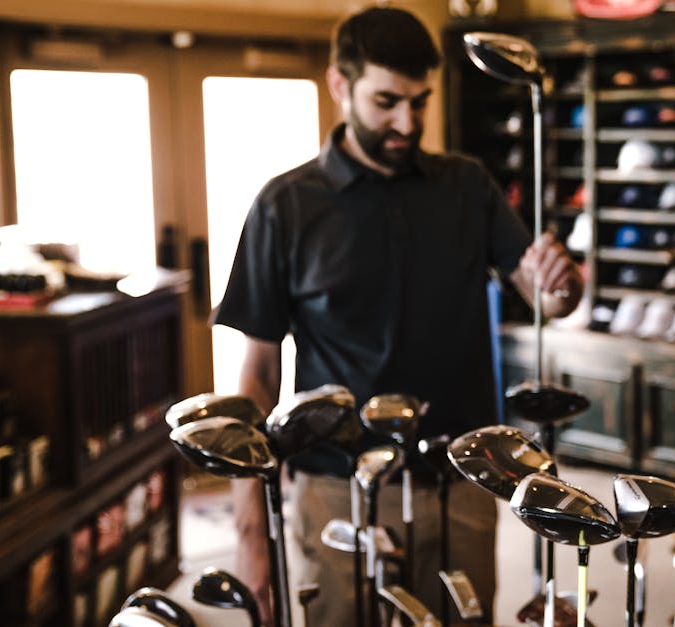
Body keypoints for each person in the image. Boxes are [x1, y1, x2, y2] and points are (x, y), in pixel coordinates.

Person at [213, 6, 581, 625]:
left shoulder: (467, 184)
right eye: (387, 101)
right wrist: (253, 541)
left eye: (420, 101)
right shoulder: (284, 205)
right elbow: (256, 378)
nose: (407, 122)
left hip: (462, 472)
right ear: (340, 85)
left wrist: (562, 283)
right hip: (336, 479)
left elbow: (548, 298)